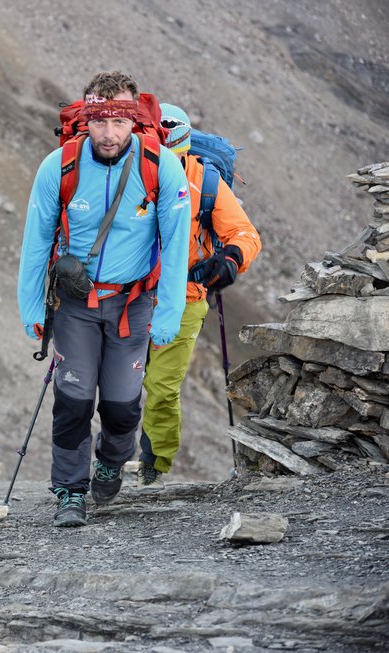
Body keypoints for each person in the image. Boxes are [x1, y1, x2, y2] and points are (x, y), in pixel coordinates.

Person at [17, 71, 191, 528]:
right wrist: (32, 306)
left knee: (121, 405)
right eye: (99, 121)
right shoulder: (60, 166)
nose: (109, 133)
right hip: (75, 305)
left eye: (119, 121)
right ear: (86, 118)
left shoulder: (161, 166)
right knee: (72, 400)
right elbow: (36, 241)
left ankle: (112, 461)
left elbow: (176, 246)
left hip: (134, 305)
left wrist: (169, 311)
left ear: (135, 119)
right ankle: (70, 492)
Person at [138, 104, 262, 487]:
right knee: (117, 385)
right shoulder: (133, 176)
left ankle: (152, 465)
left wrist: (230, 259)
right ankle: (111, 457)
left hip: (187, 297)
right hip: (128, 296)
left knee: (160, 387)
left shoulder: (206, 182)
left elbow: (245, 234)